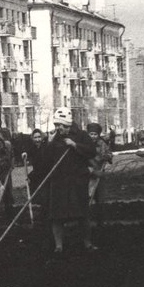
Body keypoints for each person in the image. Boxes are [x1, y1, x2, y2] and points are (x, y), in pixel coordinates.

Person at [42, 109, 96, 255]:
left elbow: (92, 152)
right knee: (56, 216)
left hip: (77, 181)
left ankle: (87, 243)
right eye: (56, 125)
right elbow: (46, 161)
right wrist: (48, 143)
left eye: (60, 125)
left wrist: (75, 145)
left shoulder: (81, 136)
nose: (58, 128)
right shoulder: (55, 140)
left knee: (82, 214)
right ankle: (59, 246)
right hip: (59, 183)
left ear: (67, 124)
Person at [86, 122, 113, 227]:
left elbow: (109, 153)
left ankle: (100, 221)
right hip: (89, 174)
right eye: (91, 134)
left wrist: (108, 156)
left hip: (100, 173)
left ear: (98, 135)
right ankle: (87, 220)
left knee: (100, 198)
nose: (93, 136)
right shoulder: (86, 144)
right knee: (88, 196)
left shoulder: (102, 144)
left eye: (95, 134)